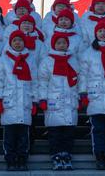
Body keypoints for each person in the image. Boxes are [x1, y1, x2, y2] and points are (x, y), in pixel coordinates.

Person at [0, 30, 37, 172]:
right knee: (10, 136)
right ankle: (11, 159)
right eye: (15, 40)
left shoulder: (30, 59)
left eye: (20, 40)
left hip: (25, 102)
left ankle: (22, 159)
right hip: (9, 103)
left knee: (23, 136)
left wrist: (35, 101)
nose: (18, 43)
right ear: (10, 43)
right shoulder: (4, 60)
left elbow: (35, 82)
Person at [80, 20, 105, 170]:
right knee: (97, 130)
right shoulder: (88, 53)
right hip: (95, 96)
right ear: (95, 33)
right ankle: (99, 156)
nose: (103, 34)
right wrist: (83, 93)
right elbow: (83, 75)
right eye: (100, 31)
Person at [38, 32, 80, 171]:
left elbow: (78, 80)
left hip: (69, 102)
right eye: (59, 43)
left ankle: (67, 156)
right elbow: (42, 82)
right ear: (53, 45)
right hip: (53, 103)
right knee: (55, 133)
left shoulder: (73, 60)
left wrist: (80, 96)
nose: (61, 45)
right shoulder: (47, 61)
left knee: (68, 133)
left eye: (64, 43)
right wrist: (42, 98)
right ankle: (56, 156)